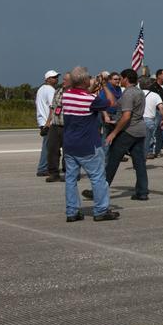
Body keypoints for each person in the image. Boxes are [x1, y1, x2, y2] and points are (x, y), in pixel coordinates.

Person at [60, 66, 119, 222]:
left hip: (69, 144)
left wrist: (93, 85)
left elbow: (84, 93)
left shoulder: (66, 95)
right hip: (88, 145)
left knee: (71, 179)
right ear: (85, 80)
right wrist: (105, 85)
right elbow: (112, 102)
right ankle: (101, 210)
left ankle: (72, 211)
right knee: (98, 178)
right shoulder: (90, 99)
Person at [101, 69, 149, 201]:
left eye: (121, 78)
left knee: (112, 161)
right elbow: (113, 103)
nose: (120, 80)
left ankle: (100, 190)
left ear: (126, 79)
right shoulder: (138, 92)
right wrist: (104, 86)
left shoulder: (128, 94)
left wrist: (114, 133)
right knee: (139, 162)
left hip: (128, 131)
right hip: (140, 131)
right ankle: (142, 191)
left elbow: (126, 116)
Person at [35, 70, 60, 177]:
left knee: (49, 146)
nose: (56, 79)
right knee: (49, 147)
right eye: (53, 77)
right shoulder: (50, 90)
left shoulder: (41, 89)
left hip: (42, 121)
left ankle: (46, 167)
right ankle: (43, 168)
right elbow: (53, 107)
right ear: (48, 79)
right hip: (48, 122)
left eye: (56, 77)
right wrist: (49, 123)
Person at [144, 72, 163, 159]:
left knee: (158, 133)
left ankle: (155, 150)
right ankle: (149, 151)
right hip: (154, 113)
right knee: (152, 133)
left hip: (160, 112)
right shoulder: (153, 90)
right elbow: (161, 106)